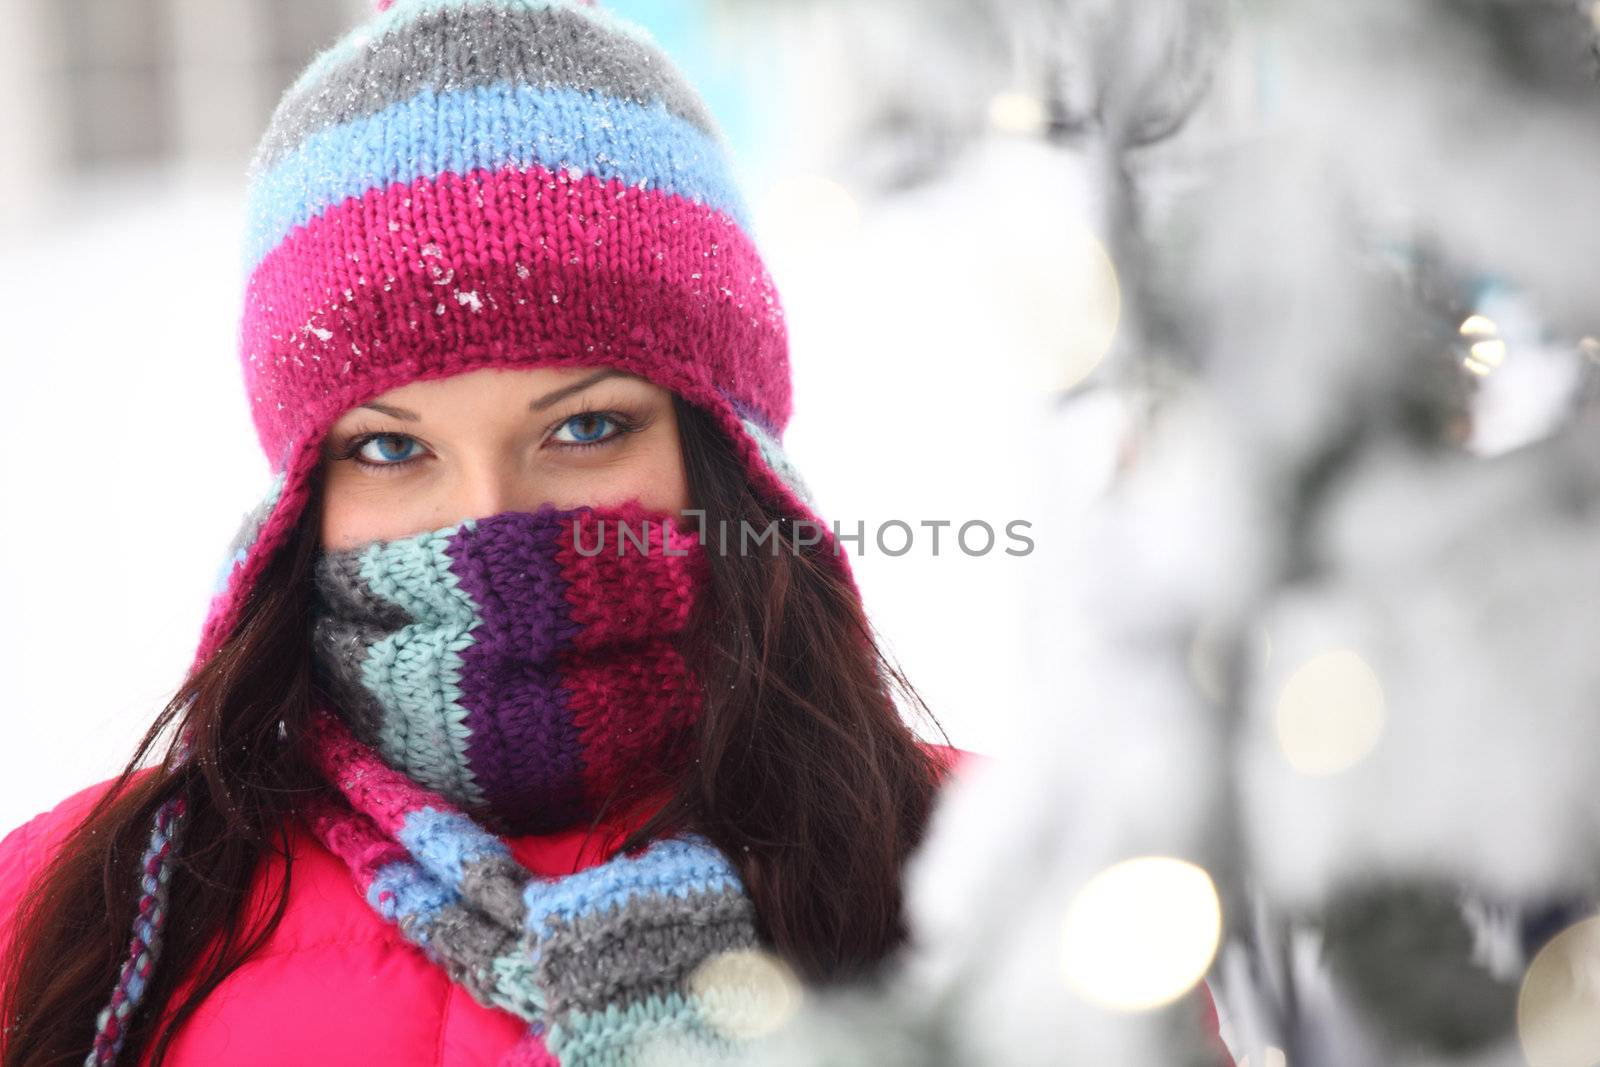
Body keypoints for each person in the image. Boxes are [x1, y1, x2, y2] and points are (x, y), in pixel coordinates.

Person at [0, 2, 1228, 1065]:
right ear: (297, 499)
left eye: (583, 429)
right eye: (390, 446)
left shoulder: (1014, 882)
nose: (490, 523)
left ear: (726, 455)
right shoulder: (88, 921)